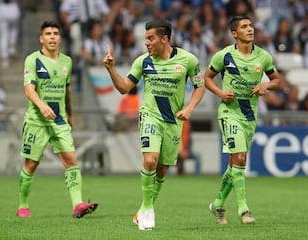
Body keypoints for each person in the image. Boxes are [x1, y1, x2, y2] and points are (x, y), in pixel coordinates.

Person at [103, 19, 205, 230]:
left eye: (151, 38)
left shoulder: (188, 60)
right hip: (150, 116)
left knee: (162, 170)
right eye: (145, 39)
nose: (147, 43)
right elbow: (124, 87)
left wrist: (189, 109)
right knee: (150, 160)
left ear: (164, 39)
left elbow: (200, 87)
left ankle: (143, 208)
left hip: (173, 120)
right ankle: (148, 210)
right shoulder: (143, 62)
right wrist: (112, 69)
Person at [16, 21, 98, 218]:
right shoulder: (32, 60)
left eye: (55, 33)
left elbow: (66, 90)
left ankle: (77, 205)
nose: (52, 37)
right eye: (48, 33)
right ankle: (23, 205)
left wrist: (69, 113)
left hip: (59, 120)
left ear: (60, 38)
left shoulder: (67, 62)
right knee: (31, 165)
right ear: (41, 38)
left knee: (71, 160)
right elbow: (29, 89)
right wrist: (42, 106)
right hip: (37, 120)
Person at [204, 15, 280, 225]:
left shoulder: (263, 57)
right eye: (244, 27)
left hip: (249, 115)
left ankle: (218, 203)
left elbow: (276, 80)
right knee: (240, 159)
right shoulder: (224, 56)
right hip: (229, 113)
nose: (250, 29)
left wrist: (266, 85)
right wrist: (220, 93)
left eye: (251, 25)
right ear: (234, 33)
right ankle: (244, 209)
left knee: (235, 164)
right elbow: (207, 77)